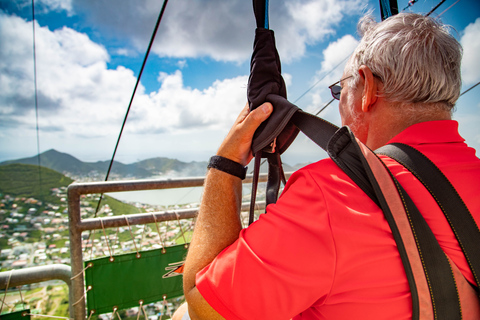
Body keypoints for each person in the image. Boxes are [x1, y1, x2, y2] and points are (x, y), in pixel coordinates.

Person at [172, 13, 479, 319]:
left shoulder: (332, 195)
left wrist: (225, 164)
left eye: (339, 92)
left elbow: (205, 307)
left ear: (369, 89)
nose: (339, 107)